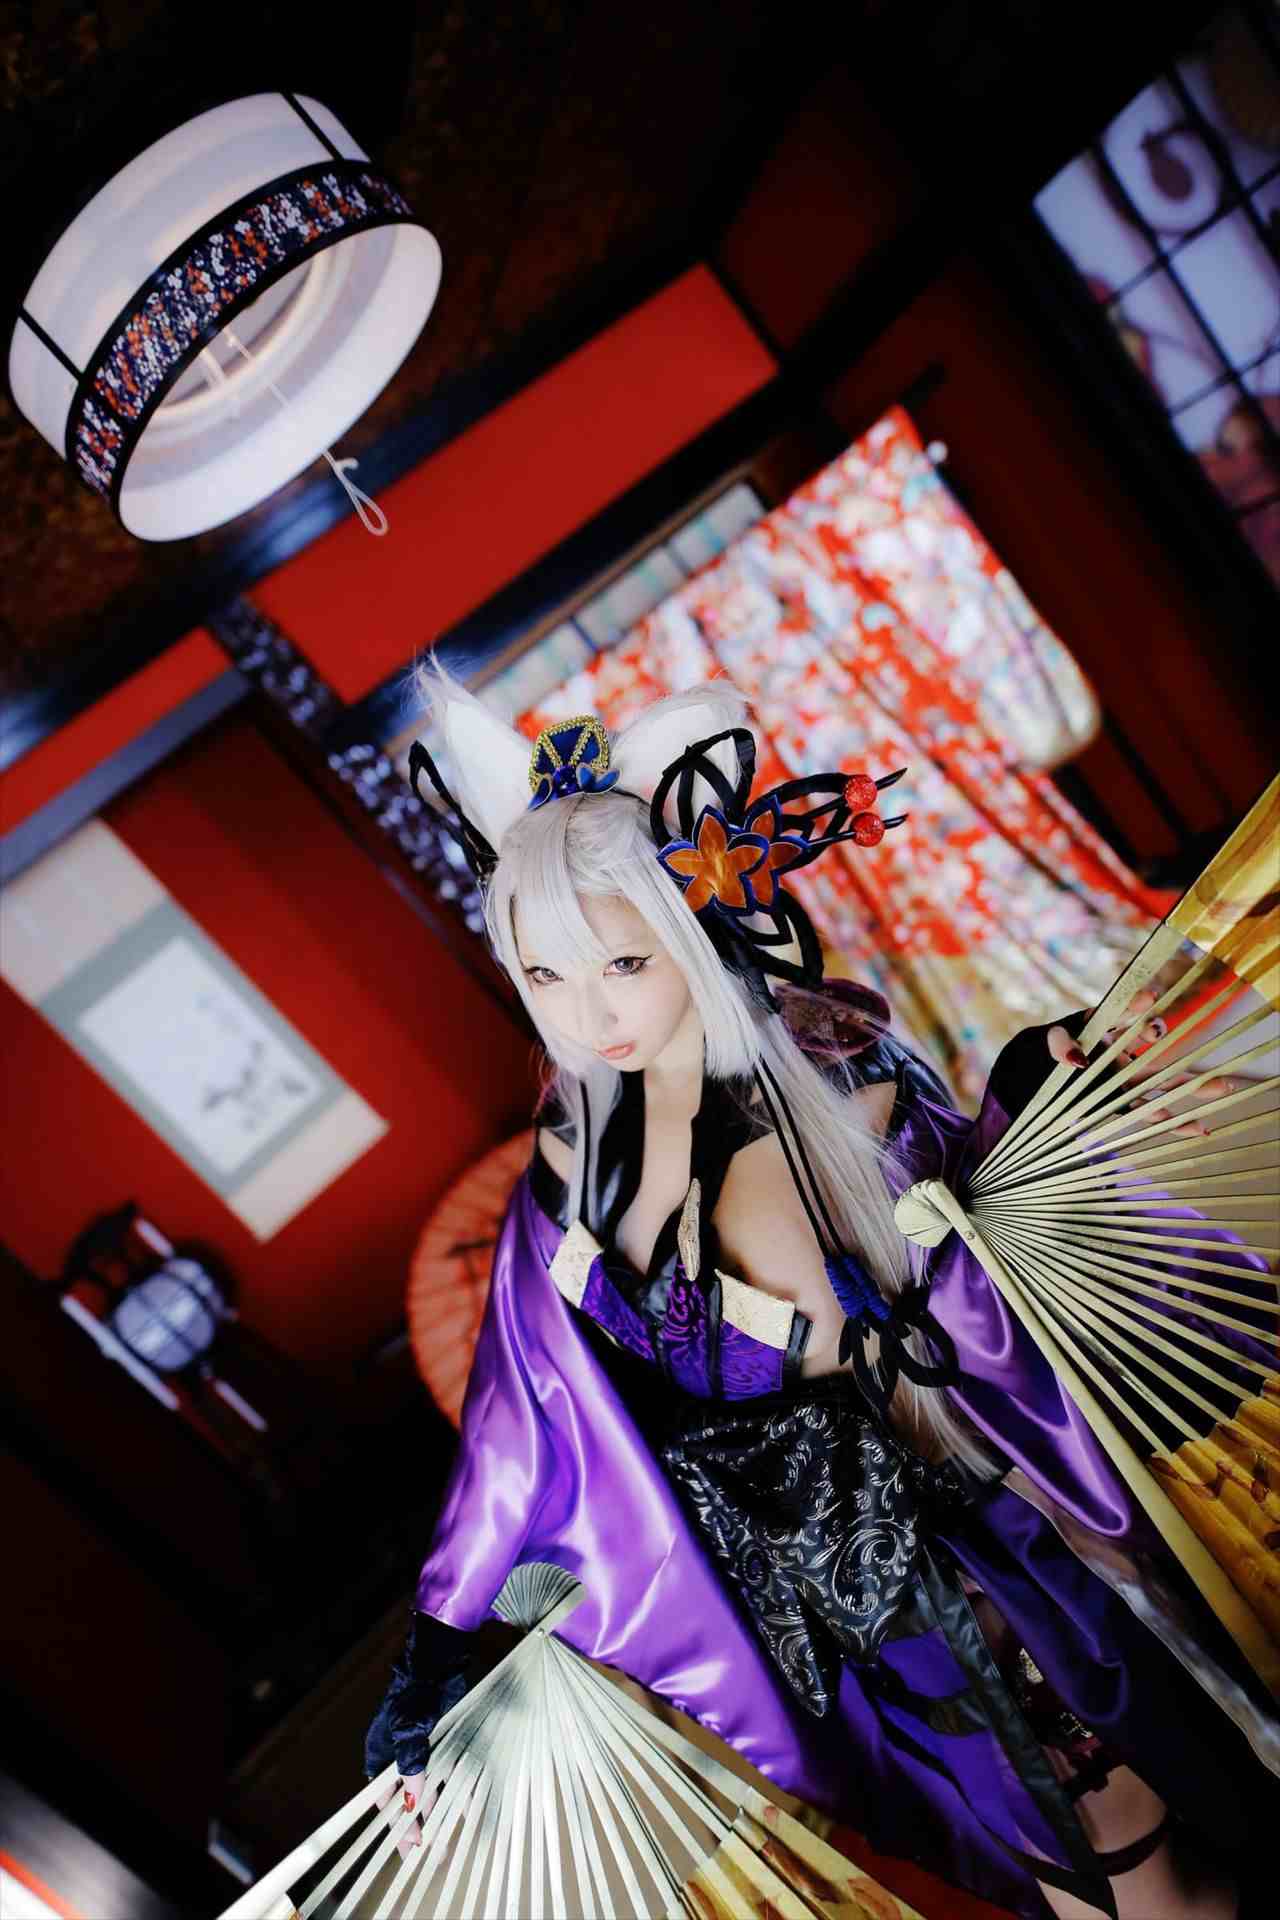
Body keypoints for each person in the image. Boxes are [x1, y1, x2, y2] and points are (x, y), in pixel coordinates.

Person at [365, 672, 1278, 1920]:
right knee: (1088, 1895)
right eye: (547, 975)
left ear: (688, 926)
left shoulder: (837, 1075)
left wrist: (1025, 1086)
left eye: (623, 960)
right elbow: (516, 1423)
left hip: (1008, 1555)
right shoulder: (570, 1174)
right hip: (848, 1629)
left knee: (1159, 1878)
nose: (590, 1011)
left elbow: (981, 1246)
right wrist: (436, 1644)